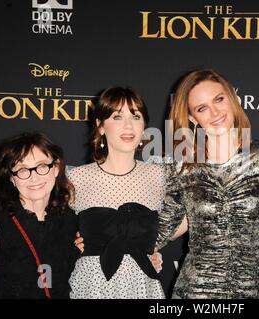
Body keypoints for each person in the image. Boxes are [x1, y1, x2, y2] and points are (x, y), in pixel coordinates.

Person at [156, 69, 259, 299]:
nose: (215, 112)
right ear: (192, 118)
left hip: (252, 291)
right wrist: (103, 235)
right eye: (201, 108)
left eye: (219, 99)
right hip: (195, 292)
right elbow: (164, 227)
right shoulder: (181, 165)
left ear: (231, 98)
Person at [67, 86, 165, 299]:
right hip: (91, 286)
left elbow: (185, 217)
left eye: (136, 116)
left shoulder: (159, 176)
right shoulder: (76, 178)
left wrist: (153, 247)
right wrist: (71, 243)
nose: (128, 125)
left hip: (142, 286)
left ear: (144, 125)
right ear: (100, 126)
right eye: (117, 117)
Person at [0, 132, 79, 299]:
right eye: (22, 170)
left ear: (56, 168)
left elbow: (55, 277)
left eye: (42, 166)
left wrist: (73, 252)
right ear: (11, 178)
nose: (34, 177)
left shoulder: (69, 220)